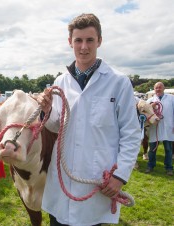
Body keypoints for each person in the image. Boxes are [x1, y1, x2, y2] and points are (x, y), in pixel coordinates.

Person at [37, 13, 140, 225]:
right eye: (78, 40)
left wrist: (120, 176)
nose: (84, 47)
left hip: (96, 181)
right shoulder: (61, 81)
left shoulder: (118, 82)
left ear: (99, 41)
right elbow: (57, 126)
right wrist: (46, 111)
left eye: (90, 40)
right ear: (70, 42)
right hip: (62, 183)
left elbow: (131, 134)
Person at [145, 82, 174, 176]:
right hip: (155, 127)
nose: (158, 89)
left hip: (168, 127)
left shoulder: (171, 98)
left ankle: (169, 168)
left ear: (164, 88)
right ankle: (150, 166)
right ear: (154, 89)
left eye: (160, 87)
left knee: (168, 149)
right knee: (152, 149)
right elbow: (145, 114)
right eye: (156, 87)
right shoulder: (150, 100)